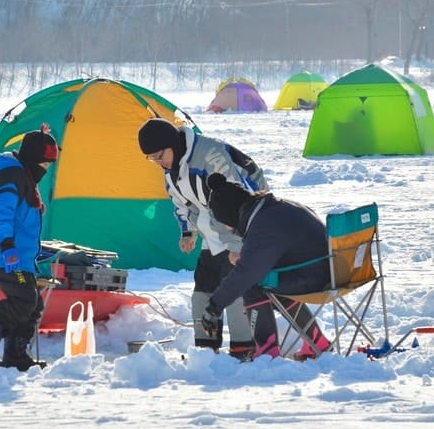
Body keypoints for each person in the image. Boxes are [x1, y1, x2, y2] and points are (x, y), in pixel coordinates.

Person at [137, 117, 261, 358]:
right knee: (203, 290)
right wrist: (187, 231)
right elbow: (180, 202)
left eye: (159, 156)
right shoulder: (171, 170)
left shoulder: (210, 155)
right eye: (151, 159)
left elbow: (239, 197)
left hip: (239, 224)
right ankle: (206, 347)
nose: (158, 163)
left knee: (235, 287)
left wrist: (237, 242)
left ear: (172, 144)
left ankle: (243, 347)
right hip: (211, 227)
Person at [200, 172, 332, 360]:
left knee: (255, 284)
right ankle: (316, 342)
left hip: (318, 277)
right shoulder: (276, 208)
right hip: (330, 268)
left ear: (231, 213)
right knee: (271, 280)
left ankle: (267, 352)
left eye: (227, 224)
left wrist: (214, 307)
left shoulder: (263, 225)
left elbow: (245, 274)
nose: (229, 229)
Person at [0, 126, 59, 371]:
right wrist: (7, 245)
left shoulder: (22, 172)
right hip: (4, 256)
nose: (45, 171)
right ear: (33, 159)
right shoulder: (11, 175)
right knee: (24, 298)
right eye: (45, 165)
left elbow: (17, 206)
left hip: (17, 256)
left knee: (32, 302)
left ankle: (16, 354)